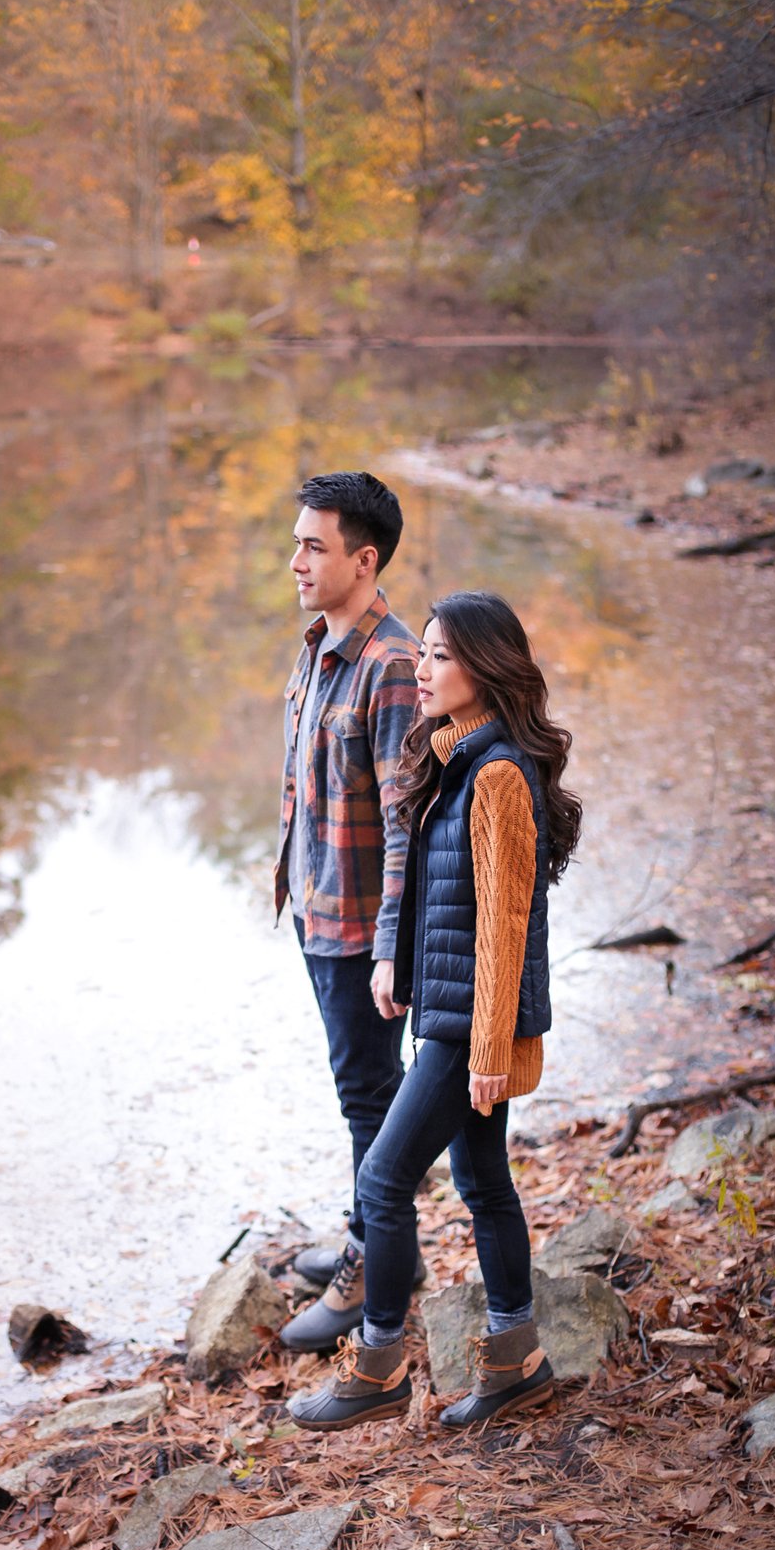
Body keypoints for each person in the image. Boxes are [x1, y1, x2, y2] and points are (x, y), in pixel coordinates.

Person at [287, 590, 582, 1429]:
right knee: (483, 1180)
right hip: (451, 1015)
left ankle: (377, 1369)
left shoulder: (496, 777)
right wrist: (401, 964)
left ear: (486, 670)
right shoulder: (460, 759)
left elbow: (504, 928)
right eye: (422, 653)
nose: (422, 669)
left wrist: (488, 1050)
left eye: (440, 656)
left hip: (472, 1031)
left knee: (382, 1181)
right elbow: (448, 900)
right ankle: (516, 1359)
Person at [274, 471, 421, 1355]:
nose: (295, 559)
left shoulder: (393, 664)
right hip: (317, 907)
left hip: (365, 926)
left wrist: (389, 950)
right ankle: (377, 1235)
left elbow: (404, 825)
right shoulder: (318, 644)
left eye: (313, 545)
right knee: (358, 1092)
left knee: (371, 1095)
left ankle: (375, 1267)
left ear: (363, 561)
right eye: (296, 541)